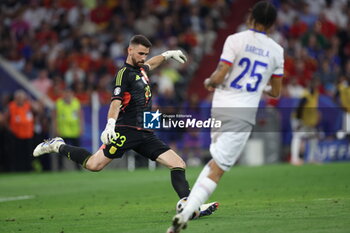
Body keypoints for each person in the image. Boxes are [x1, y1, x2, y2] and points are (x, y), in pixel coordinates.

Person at [33, 35, 217, 217]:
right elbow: (116, 102)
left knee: (178, 164)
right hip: (126, 131)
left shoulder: (141, 70)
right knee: (94, 165)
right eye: (140, 53)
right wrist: (110, 125)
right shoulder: (124, 74)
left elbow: (151, 64)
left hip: (145, 132)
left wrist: (168, 54)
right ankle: (57, 144)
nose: (143, 57)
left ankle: (188, 205)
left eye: (145, 54)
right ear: (130, 50)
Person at [166, 2, 284, 232]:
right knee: (217, 167)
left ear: (251, 18)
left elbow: (220, 75)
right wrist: (261, 86)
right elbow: (276, 92)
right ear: (271, 24)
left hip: (220, 107)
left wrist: (210, 82)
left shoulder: (234, 39)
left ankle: (190, 205)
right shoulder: (277, 51)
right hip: (242, 114)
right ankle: (188, 212)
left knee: (215, 158)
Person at [52, 88, 84, 170]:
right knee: (60, 151)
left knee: (76, 151)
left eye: (69, 93)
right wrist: (56, 129)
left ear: (72, 94)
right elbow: (54, 117)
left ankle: (78, 168)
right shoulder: (59, 103)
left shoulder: (76, 102)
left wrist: (81, 127)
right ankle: (60, 168)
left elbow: (81, 116)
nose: (67, 96)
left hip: (74, 131)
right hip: (63, 131)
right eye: (66, 94)